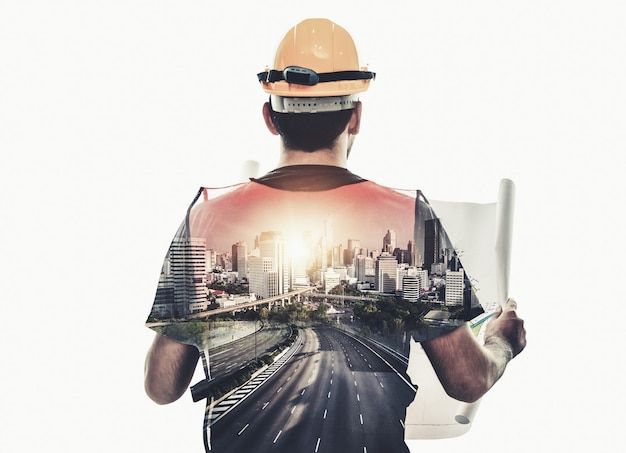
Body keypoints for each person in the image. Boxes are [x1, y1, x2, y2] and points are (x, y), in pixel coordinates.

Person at [144, 17, 526, 452]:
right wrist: (501, 342)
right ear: (356, 117)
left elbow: (162, 386)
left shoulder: (207, 218)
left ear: (270, 116)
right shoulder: (410, 217)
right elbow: (467, 380)